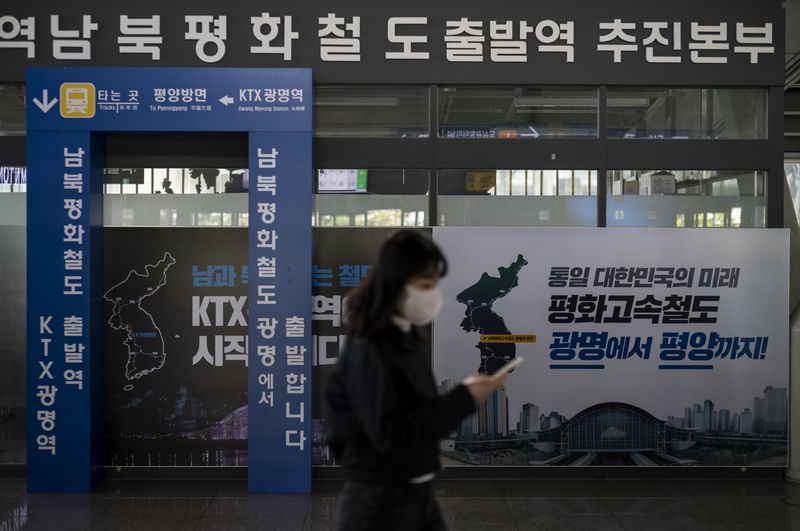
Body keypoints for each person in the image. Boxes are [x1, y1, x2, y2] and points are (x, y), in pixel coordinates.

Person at [325, 230, 507, 531]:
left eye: (435, 284)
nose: (433, 294)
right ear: (396, 285)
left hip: (413, 492)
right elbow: (393, 435)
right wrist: (465, 398)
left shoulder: (405, 336)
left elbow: (418, 410)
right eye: (425, 285)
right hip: (381, 505)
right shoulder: (373, 348)